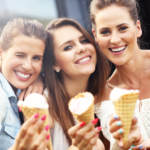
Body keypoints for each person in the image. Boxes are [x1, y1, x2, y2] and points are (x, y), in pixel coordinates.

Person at [90, 0, 150, 149]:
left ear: (138, 28)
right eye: (105, 32)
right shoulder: (102, 97)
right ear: (95, 36)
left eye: (122, 28)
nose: (115, 39)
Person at [42, 17, 110, 150]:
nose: (81, 48)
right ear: (54, 64)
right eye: (68, 47)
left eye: (84, 41)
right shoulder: (45, 106)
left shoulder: (106, 96)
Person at [0, 18, 51, 150]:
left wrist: (40, 78)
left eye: (36, 58)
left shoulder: (23, 91)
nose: (28, 66)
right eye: (20, 55)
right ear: (1, 53)